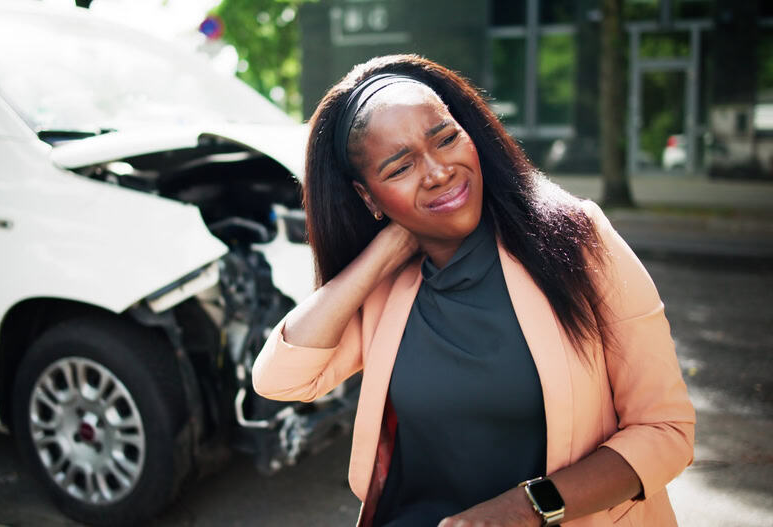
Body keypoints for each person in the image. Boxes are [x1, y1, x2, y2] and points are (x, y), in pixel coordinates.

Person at [252, 54, 695, 527]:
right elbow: (281, 379)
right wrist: (385, 251)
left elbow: (664, 429)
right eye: (400, 169)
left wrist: (526, 508)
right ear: (368, 196)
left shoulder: (574, 239)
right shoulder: (387, 290)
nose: (438, 171)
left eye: (446, 139)